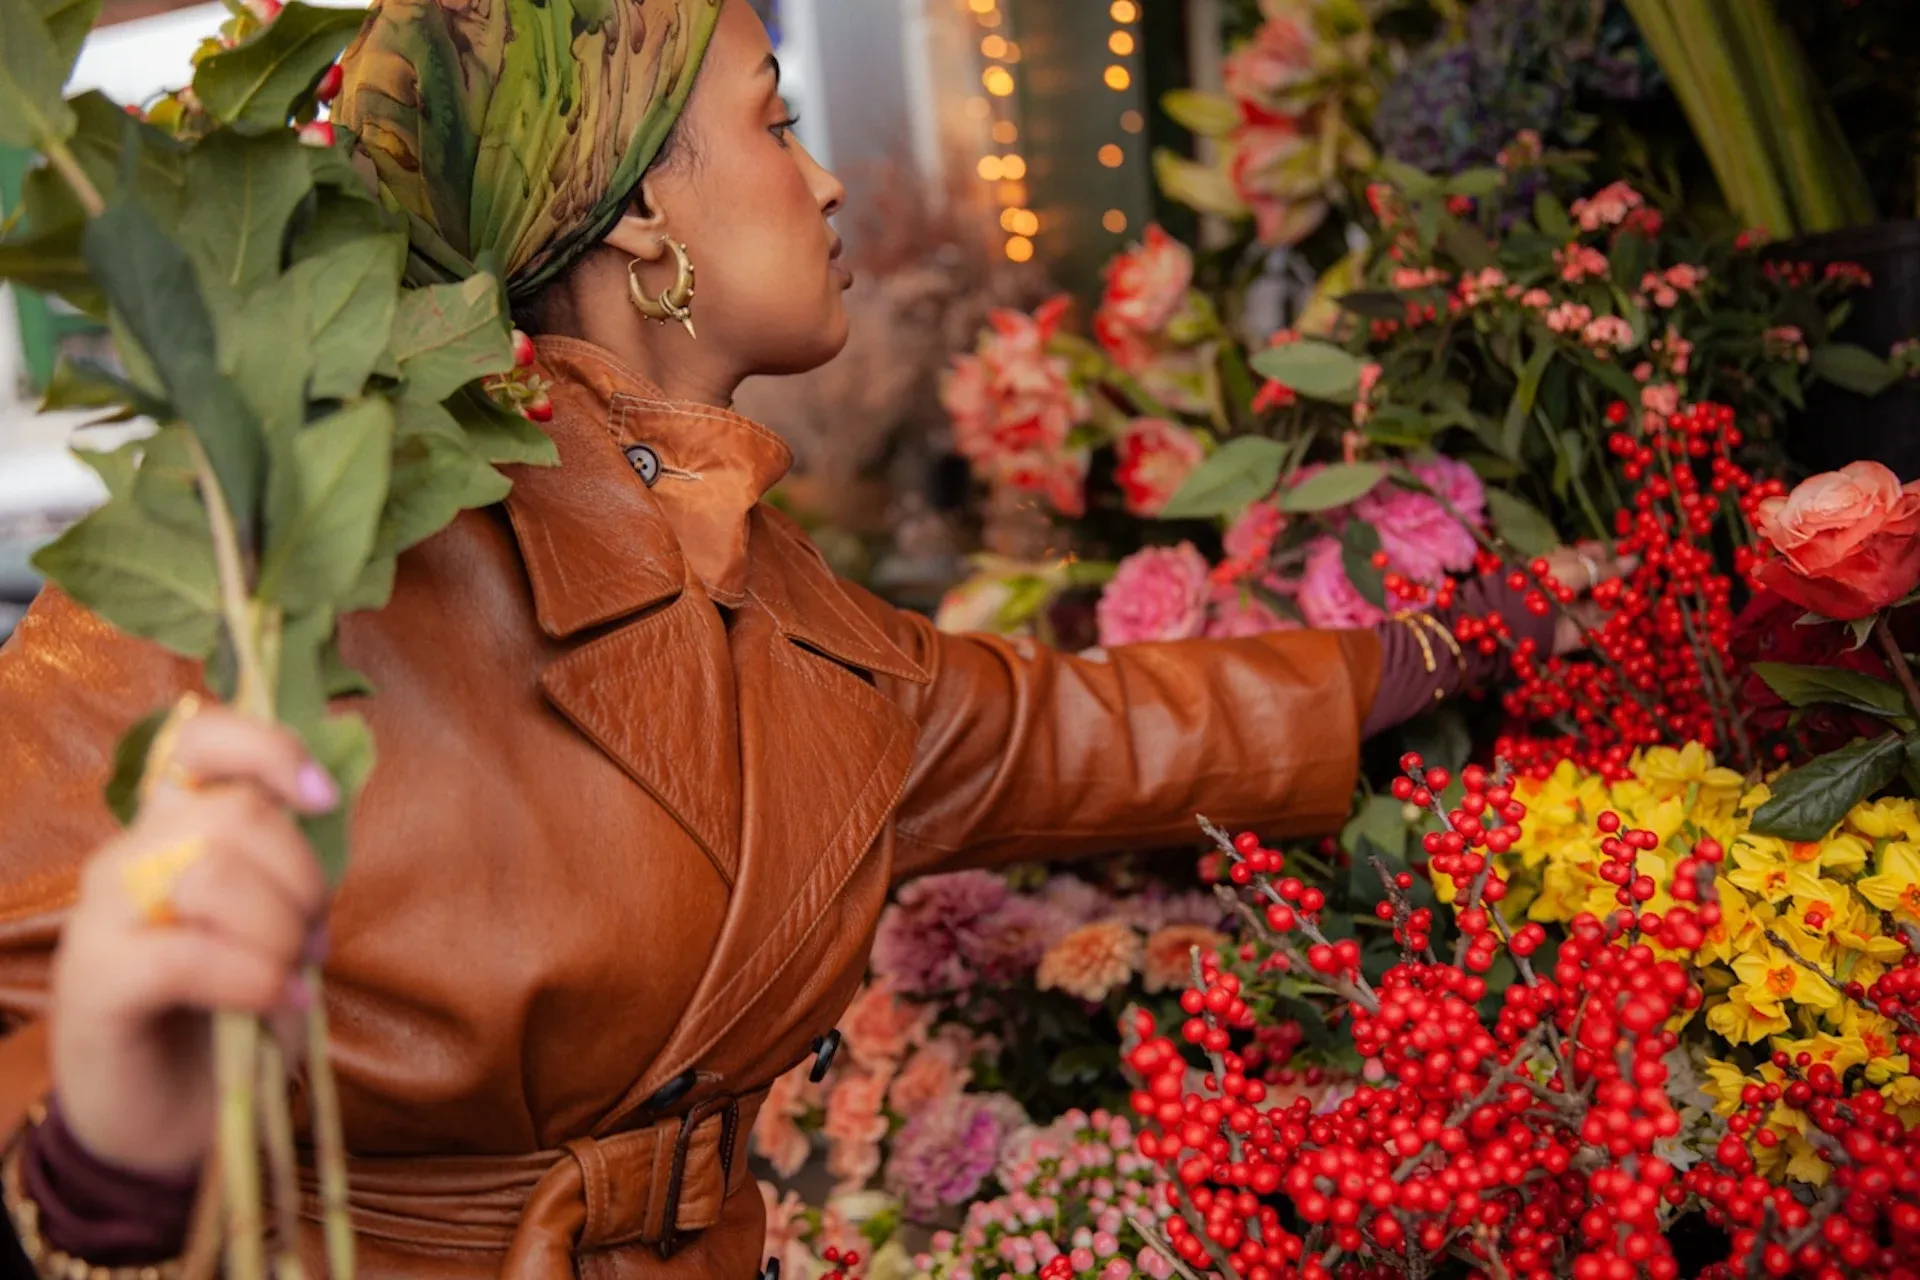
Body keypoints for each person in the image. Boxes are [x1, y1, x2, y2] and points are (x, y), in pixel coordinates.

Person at [0, 1, 1625, 1276]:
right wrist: (106, 1157)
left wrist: (1456, 640)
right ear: (642, 220)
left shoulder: (782, 596)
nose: (831, 175)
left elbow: (1086, 729)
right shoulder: (257, 573)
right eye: (779, 123)